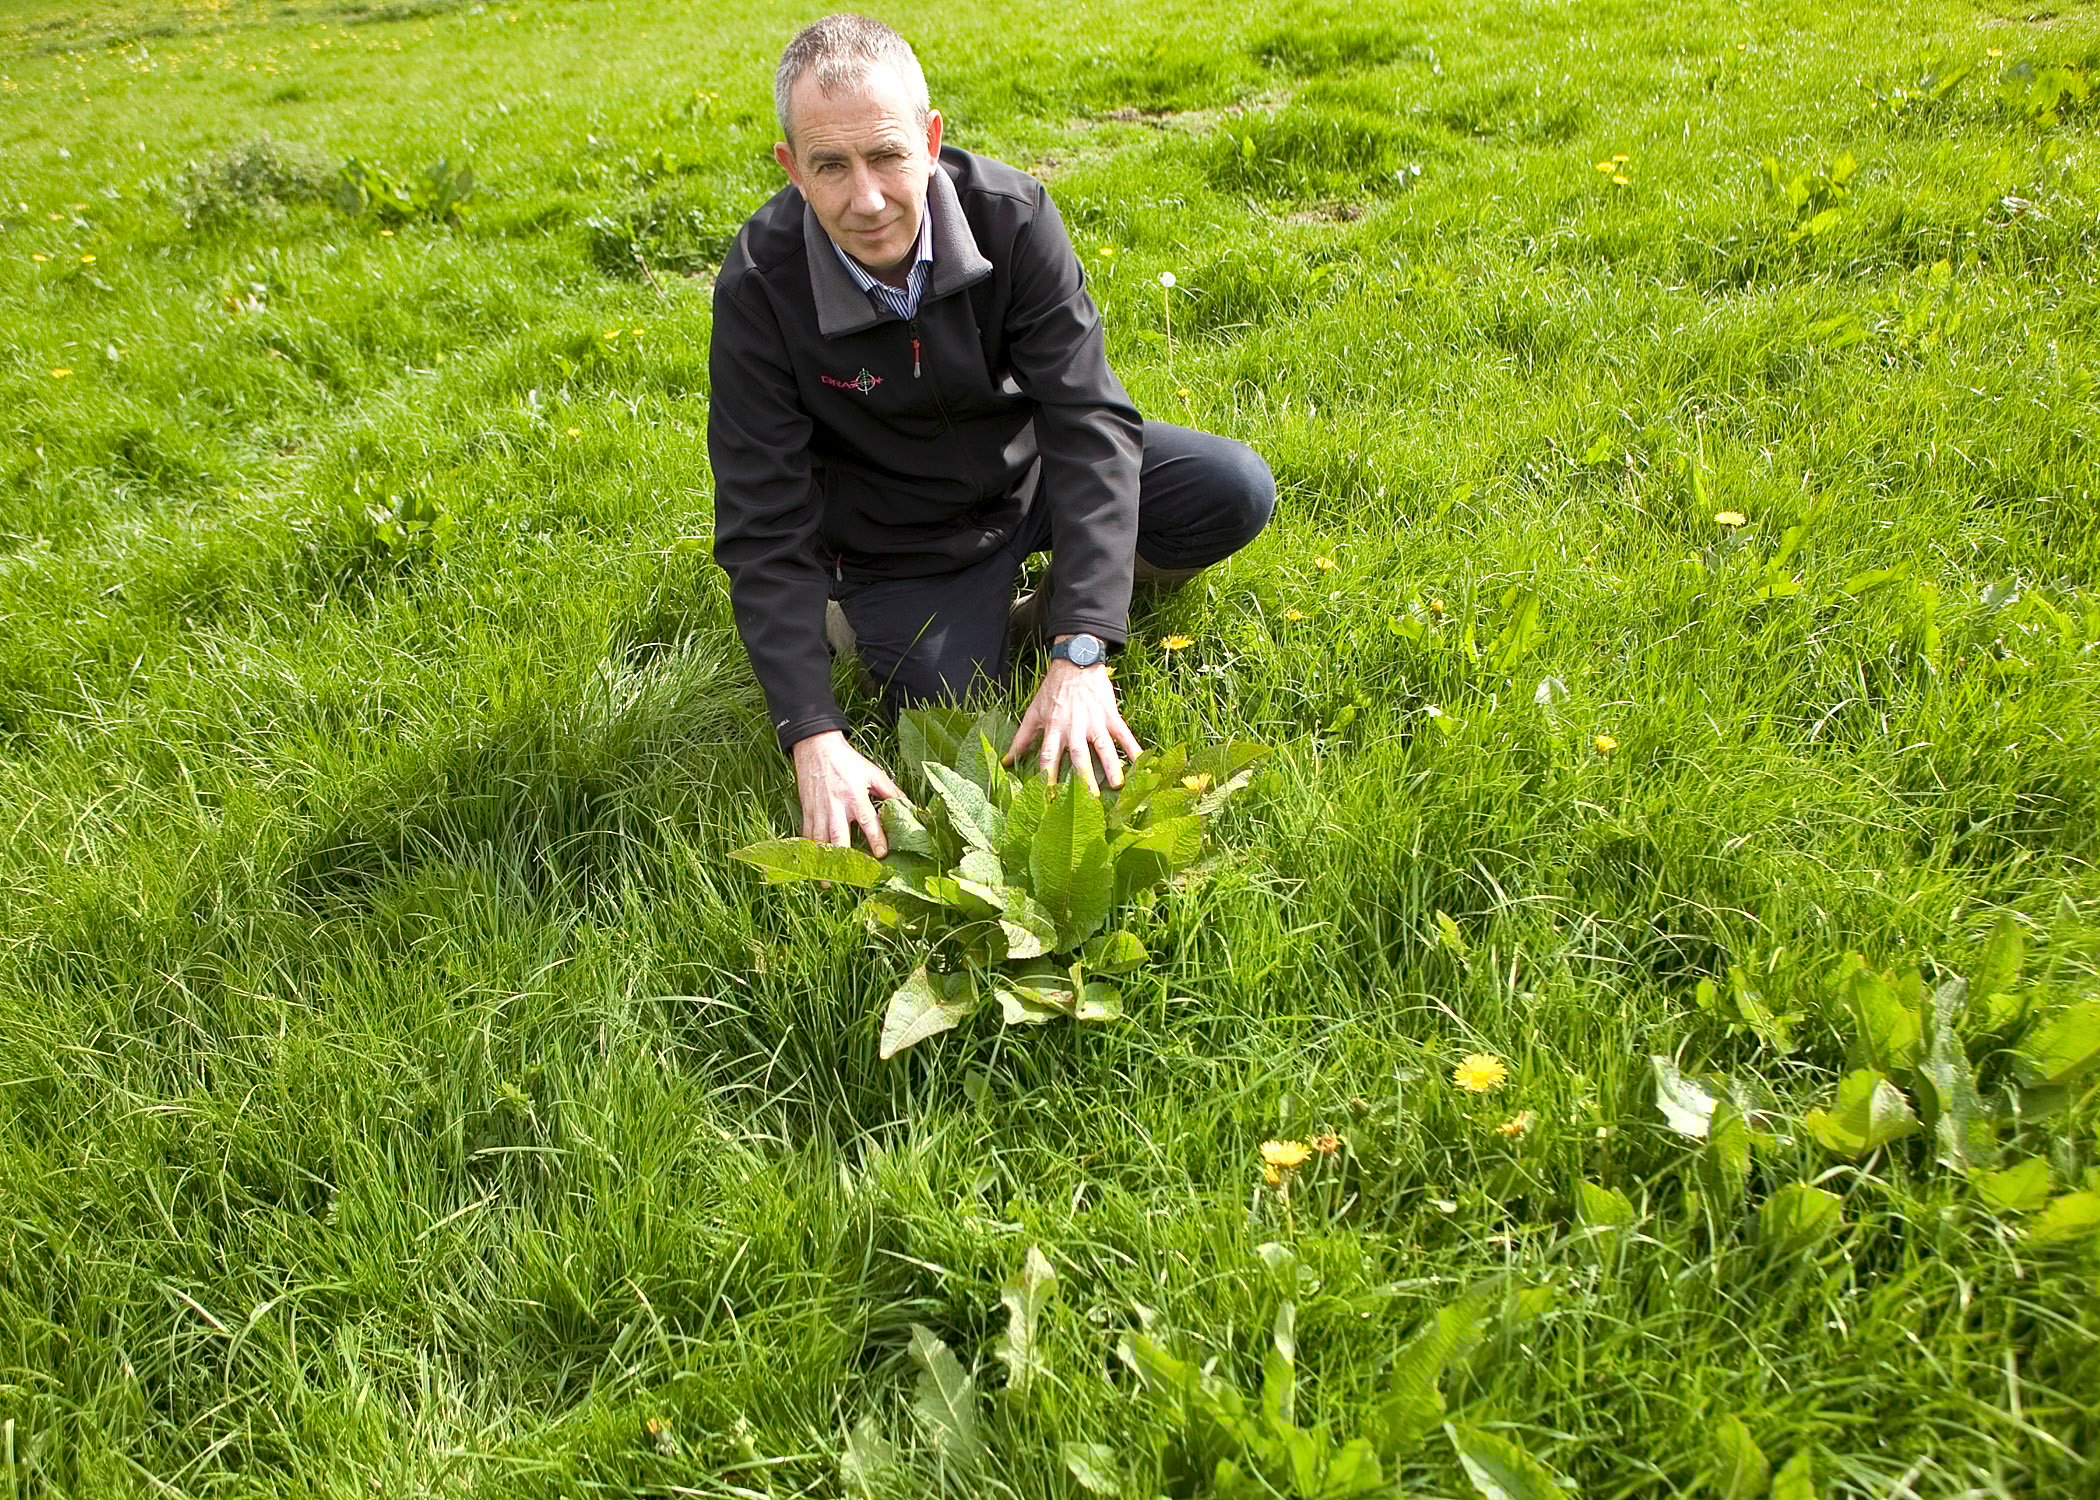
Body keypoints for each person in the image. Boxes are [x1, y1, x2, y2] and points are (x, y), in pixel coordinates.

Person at [709, 13, 1274, 856]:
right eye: (830, 165)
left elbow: (1090, 421)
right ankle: (859, 618)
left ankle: (1044, 611)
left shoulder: (1012, 216)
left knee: (1233, 492)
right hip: (896, 539)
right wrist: (810, 729)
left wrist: (1083, 647)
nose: (866, 199)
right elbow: (762, 521)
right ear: (792, 168)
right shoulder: (759, 287)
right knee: (952, 716)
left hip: (1029, 474)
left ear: (931, 140)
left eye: (888, 155)